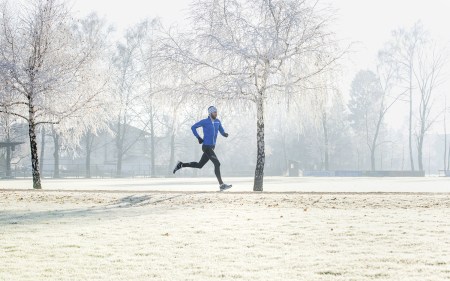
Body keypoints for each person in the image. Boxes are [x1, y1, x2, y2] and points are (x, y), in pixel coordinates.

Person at [173, 106, 232, 191]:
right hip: (206, 147)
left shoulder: (217, 122)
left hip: (212, 147)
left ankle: (181, 164)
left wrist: (224, 134)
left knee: (199, 165)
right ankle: (221, 184)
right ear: (210, 113)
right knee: (217, 164)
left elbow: (221, 131)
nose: (216, 113)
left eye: (216, 112)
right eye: (214, 112)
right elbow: (193, 127)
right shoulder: (205, 122)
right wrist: (198, 137)